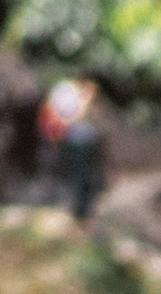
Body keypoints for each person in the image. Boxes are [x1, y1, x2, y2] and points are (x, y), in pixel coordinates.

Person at [38, 75, 108, 222]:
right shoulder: (70, 92)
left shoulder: (69, 91)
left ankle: (81, 209)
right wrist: (85, 101)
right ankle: (78, 211)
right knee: (80, 174)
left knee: (84, 174)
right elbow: (72, 117)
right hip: (72, 138)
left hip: (76, 138)